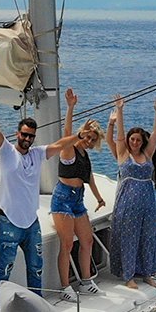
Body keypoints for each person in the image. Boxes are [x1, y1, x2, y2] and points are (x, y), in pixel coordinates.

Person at [0, 95, 62, 311]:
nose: (27, 139)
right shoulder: (6, 151)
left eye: (31, 136)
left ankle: (37, 310)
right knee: (4, 268)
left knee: (36, 268)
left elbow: (59, 146)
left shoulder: (37, 154)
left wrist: (80, 137)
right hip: (9, 221)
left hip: (31, 222)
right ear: (18, 133)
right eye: (24, 134)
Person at [48, 88, 107, 300]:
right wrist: (71, 107)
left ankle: (86, 281)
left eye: (93, 140)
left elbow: (88, 176)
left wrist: (99, 197)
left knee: (87, 240)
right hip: (63, 199)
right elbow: (66, 133)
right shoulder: (69, 149)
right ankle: (64, 287)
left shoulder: (84, 154)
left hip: (78, 199)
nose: (89, 142)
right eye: (88, 137)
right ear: (82, 134)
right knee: (66, 244)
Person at [108, 96, 156, 290]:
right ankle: (129, 275)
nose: (134, 142)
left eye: (138, 140)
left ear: (142, 142)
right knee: (129, 238)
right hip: (128, 204)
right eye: (132, 139)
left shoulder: (147, 154)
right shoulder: (123, 154)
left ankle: (147, 272)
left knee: (147, 236)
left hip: (148, 204)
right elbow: (119, 135)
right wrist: (120, 111)